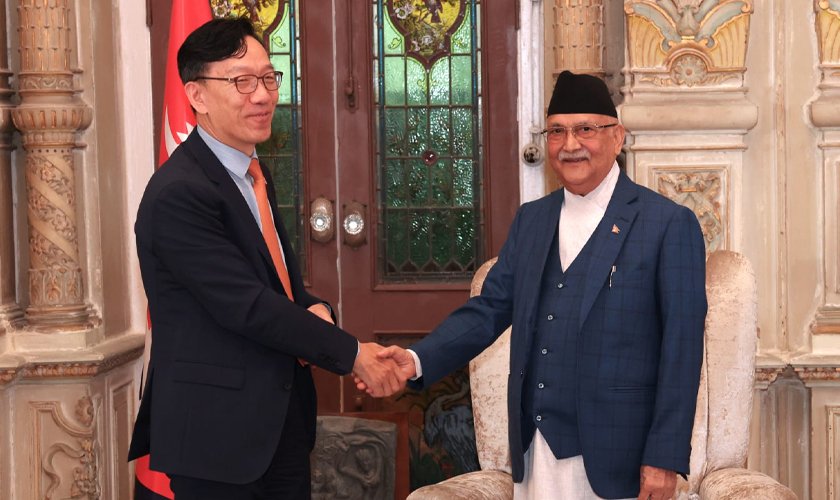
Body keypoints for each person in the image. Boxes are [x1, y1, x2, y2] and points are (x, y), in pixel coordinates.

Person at [366, 71, 708, 500]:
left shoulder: (667, 223)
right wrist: (416, 360)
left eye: (585, 130)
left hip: (622, 457)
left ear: (617, 137)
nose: (569, 144)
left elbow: (682, 349)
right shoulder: (532, 220)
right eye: (557, 132)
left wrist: (664, 457)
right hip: (537, 450)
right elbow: (489, 309)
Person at [128, 18, 401, 499]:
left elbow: (277, 287)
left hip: (278, 427)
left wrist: (317, 309)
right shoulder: (179, 193)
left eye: (269, 78)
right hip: (217, 439)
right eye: (242, 81)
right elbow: (246, 305)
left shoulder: (253, 174)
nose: (262, 95)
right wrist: (353, 354)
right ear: (196, 95)